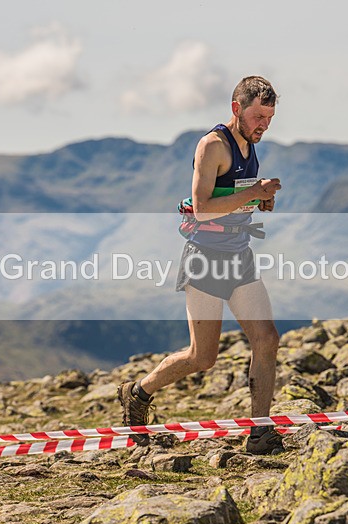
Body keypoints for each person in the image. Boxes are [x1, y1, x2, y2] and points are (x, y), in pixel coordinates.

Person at [118, 76, 284, 454]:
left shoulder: (249, 144)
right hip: (206, 261)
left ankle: (259, 433)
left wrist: (258, 202)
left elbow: (232, 198)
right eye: (258, 115)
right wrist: (253, 193)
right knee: (202, 357)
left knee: (267, 338)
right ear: (236, 108)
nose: (263, 125)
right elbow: (204, 208)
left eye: (269, 118)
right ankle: (138, 392)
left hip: (239, 257)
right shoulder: (212, 146)